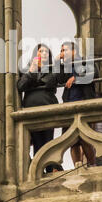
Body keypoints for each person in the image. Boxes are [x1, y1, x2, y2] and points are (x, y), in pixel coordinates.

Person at [17, 44, 62, 173]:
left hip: (47, 107)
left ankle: (49, 169)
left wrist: (33, 81)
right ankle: (38, 171)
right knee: (37, 143)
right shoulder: (27, 69)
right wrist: (32, 71)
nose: (43, 53)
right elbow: (21, 86)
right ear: (35, 54)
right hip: (31, 110)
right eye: (40, 51)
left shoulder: (53, 68)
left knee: (48, 142)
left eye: (46, 52)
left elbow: (50, 81)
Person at [55, 42, 99, 168]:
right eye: (61, 50)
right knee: (72, 142)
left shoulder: (86, 61)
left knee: (85, 139)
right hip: (69, 106)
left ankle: (92, 165)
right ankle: (77, 168)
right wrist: (58, 62)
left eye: (65, 50)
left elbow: (94, 74)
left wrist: (76, 78)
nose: (63, 53)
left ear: (75, 51)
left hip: (84, 104)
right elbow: (59, 79)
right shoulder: (66, 66)